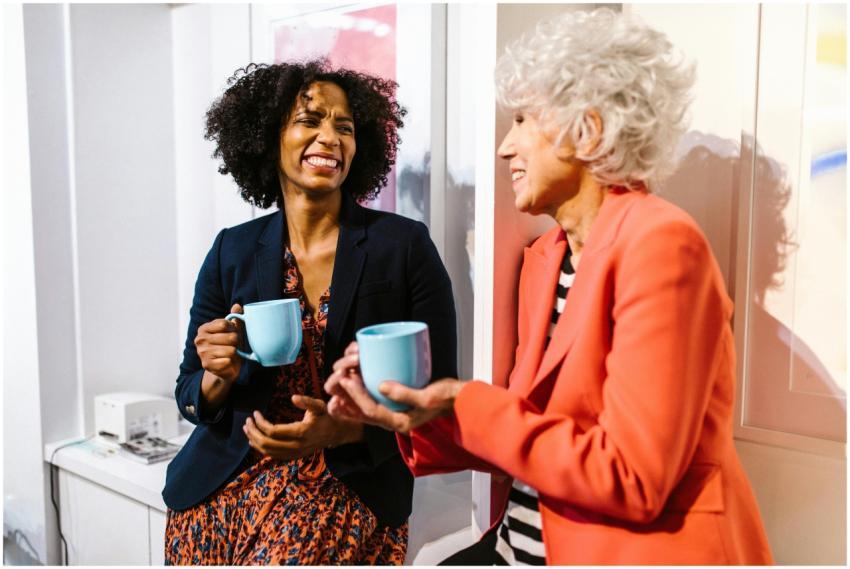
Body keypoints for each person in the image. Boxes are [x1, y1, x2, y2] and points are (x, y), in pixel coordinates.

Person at [326, 9, 773, 565]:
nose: (504, 148)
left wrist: (465, 399)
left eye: (521, 121)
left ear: (585, 129)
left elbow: (633, 479)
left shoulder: (664, 245)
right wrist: (410, 412)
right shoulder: (547, 256)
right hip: (519, 543)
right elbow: (531, 435)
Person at [161, 59, 457, 565]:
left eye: (344, 127)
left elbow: (439, 398)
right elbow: (189, 394)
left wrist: (342, 430)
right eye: (310, 121)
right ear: (266, 138)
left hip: (346, 485)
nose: (330, 137)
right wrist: (216, 378)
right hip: (218, 487)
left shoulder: (402, 246)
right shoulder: (232, 250)